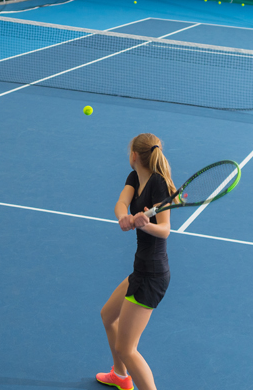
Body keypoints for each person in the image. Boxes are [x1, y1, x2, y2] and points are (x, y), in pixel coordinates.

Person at [96, 133, 176, 390]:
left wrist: (147, 224)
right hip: (140, 270)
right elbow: (122, 202)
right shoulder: (135, 177)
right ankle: (120, 376)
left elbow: (165, 230)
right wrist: (124, 217)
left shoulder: (158, 185)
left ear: (134, 155)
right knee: (108, 316)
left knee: (127, 349)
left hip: (152, 275)